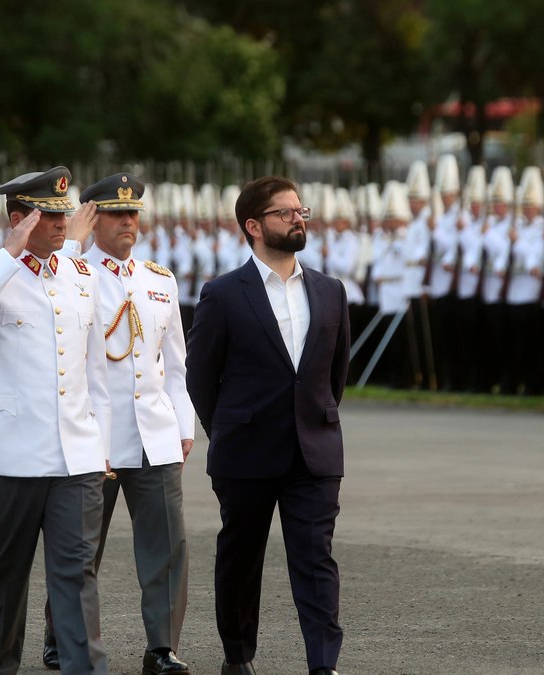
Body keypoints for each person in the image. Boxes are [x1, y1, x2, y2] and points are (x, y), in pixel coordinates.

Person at [0, 166, 111, 675]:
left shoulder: (81, 276)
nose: (62, 224)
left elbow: (94, 369)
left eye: (64, 214)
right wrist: (11, 252)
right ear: (19, 219)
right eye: (49, 215)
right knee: (4, 574)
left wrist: (99, 443)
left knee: (77, 574)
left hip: (74, 454)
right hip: (7, 454)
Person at [187, 175, 349, 675]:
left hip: (314, 451)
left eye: (302, 211)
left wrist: (313, 421)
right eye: (286, 213)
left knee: (315, 559)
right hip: (246, 451)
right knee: (241, 557)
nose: (299, 219)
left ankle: (324, 665)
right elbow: (200, 378)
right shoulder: (222, 294)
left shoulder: (329, 291)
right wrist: (233, 429)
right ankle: (238, 657)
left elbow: (334, 374)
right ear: (253, 226)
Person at [48, 172, 194, 675]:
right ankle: (60, 639)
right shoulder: (73, 272)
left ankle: (161, 647)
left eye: (133, 213)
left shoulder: (159, 279)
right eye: (115, 213)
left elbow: (175, 363)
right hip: (95, 434)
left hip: (154, 431)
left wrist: (184, 425)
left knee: (167, 548)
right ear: (92, 217)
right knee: (80, 549)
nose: (129, 221)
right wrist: (72, 243)